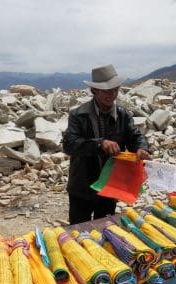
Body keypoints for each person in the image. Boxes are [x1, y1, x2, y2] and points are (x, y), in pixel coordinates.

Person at [63, 64, 151, 225]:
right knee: (78, 229)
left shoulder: (122, 115)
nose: (112, 94)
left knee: (105, 229)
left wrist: (142, 148)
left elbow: (135, 136)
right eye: (107, 90)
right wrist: (99, 144)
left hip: (111, 185)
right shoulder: (78, 115)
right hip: (82, 185)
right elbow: (69, 144)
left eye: (115, 90)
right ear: (94, 91)